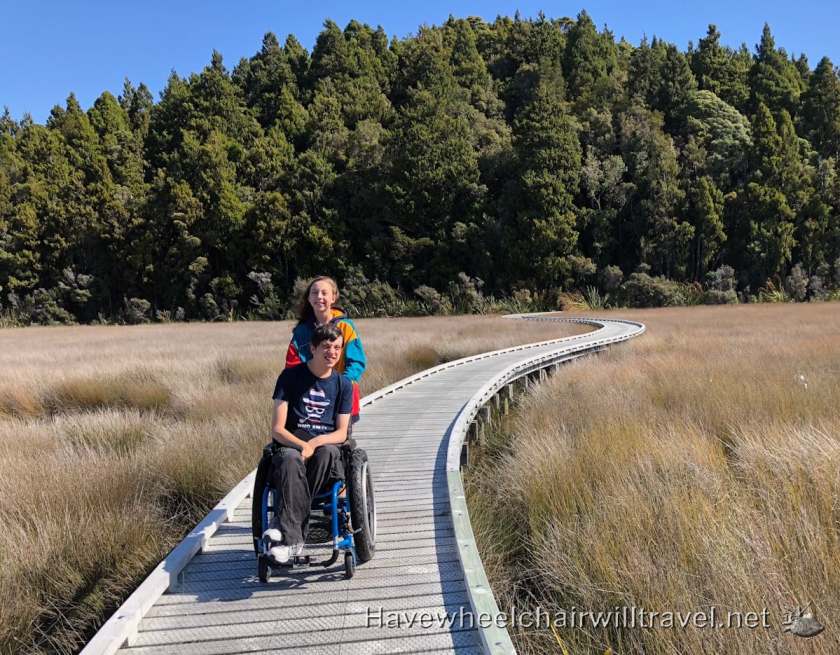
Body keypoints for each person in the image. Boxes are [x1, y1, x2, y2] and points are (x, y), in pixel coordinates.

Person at [265, 323, 353, 562]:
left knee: (327, 453)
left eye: (337, 347)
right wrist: (302, 445)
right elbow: (277, 429)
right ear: (313, 348)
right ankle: (294, 542)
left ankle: (284, 528)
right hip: (293, 442)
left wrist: (315, 443)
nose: (332, 352)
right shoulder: (290, 377)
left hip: (325, 446)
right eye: (326, 346)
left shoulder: (343, 384)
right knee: (289, 459)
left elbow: (342, 432)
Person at [284, 276, 366, 424]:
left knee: (339, 443)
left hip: (342, 399)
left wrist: (340, 386)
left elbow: (357, 363)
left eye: (324, 293)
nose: (319, 297)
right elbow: (292, 366)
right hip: (310, 401)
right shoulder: (301, 331)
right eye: (314, 293)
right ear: (309, 298)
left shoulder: (346, 326)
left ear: (333, 297)